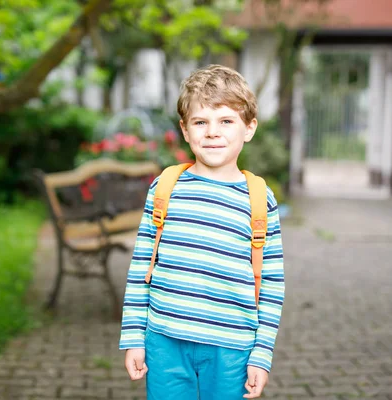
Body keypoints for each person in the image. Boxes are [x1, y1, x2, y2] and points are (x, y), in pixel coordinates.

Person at [119, 64, 285, 399]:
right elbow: (140, 269)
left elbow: (271, 284)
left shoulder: (258, 199)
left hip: (232, 348)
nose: (212, 132)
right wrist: (135, 336)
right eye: (200, 122)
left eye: (226, 121)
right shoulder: (165, 187)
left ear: (249, 128)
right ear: (185, 129)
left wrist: (261, 354)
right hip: (165, 341)